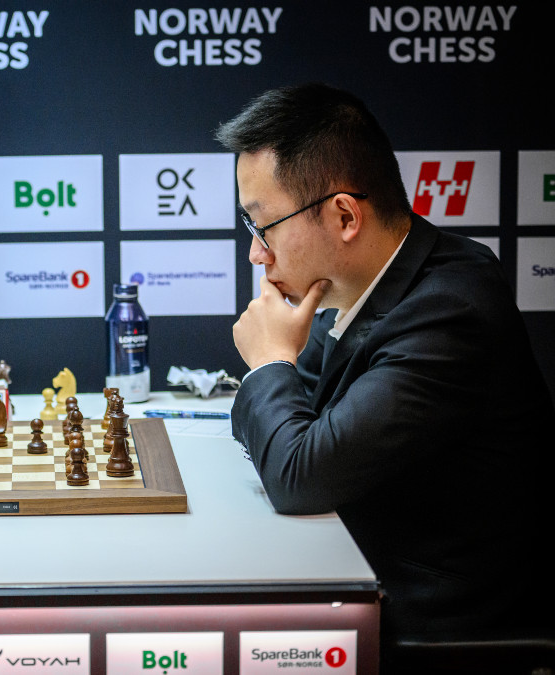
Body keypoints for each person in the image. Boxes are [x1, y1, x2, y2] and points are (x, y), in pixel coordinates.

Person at [217, 83, 554, 662]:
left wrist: (270, 362)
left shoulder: (451, 307)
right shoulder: (367, 284)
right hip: (360, 573)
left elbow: (300, 474)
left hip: (437, 631)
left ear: (345, 215)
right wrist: (277, 378)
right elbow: (298, 425)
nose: (256, 254)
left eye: (262, 226)